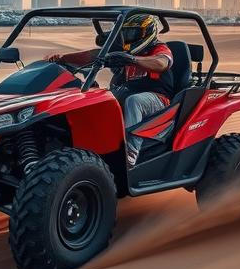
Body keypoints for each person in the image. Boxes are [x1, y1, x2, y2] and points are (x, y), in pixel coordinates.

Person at [44, 13, 170, 165]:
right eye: (126, 34)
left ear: (147, 33)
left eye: (133, 33)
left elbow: (162, 62)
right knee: (96, 99)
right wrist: (63, 58)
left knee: (134, 101)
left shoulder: (159, 49)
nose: (129, 38)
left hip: (159, 99)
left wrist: (132, 60)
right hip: (127, 92)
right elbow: (94, 55)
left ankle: (130, 153)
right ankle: (88, 147)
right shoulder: (127, 51)